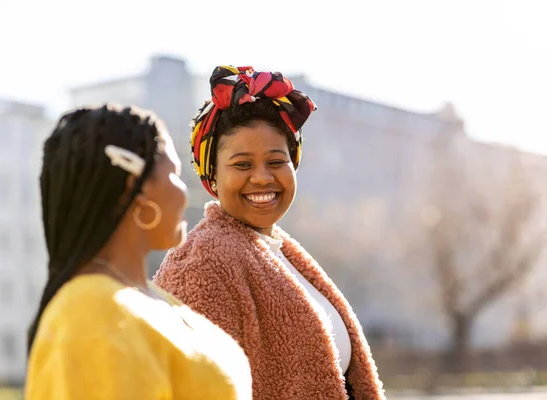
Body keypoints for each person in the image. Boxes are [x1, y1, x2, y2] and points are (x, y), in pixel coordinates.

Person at [154, 66, 386, 400]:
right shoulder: (202, 264)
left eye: (276, 162)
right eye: (243, 165)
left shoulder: (281, 254)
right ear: (212, 176)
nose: (262, 178)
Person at [25, 104, 252, 400]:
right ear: (138, 186)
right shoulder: (90, 311)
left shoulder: (150, 300)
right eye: (175, 173)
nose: (185, 191)